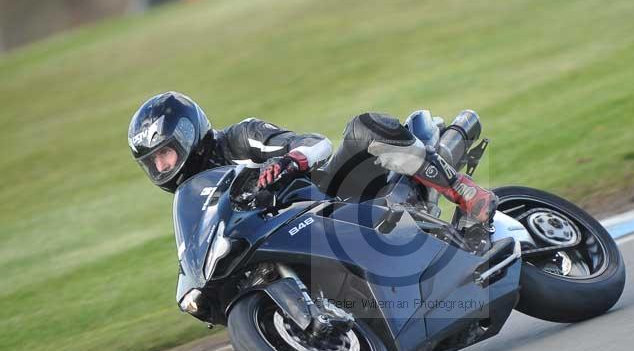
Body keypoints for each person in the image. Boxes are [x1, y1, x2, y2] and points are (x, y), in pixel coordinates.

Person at [128, 91, 497, 224]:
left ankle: (464, 192)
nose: (162, 167)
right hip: (294, 240)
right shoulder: (193, 200)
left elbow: (316, 144)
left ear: (188, 135)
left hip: (334, 199)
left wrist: (288, 163)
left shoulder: (239, 139)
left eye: (166, 153)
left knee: (362, 128)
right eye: (153, 161)